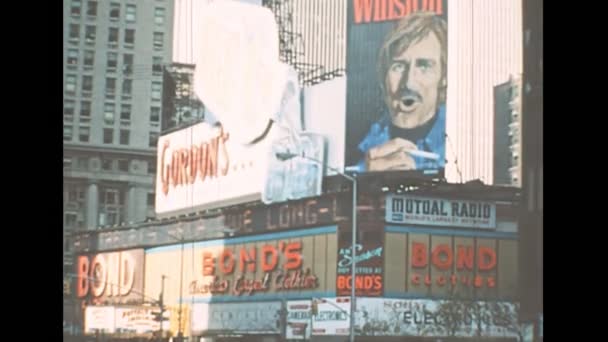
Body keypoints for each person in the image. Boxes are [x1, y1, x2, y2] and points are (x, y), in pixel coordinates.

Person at [356, 11, 447, 172]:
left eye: (424, 66)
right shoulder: (361, 148)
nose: (409, 82)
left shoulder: (456, 146)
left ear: (443, 77)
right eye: (398, 66)